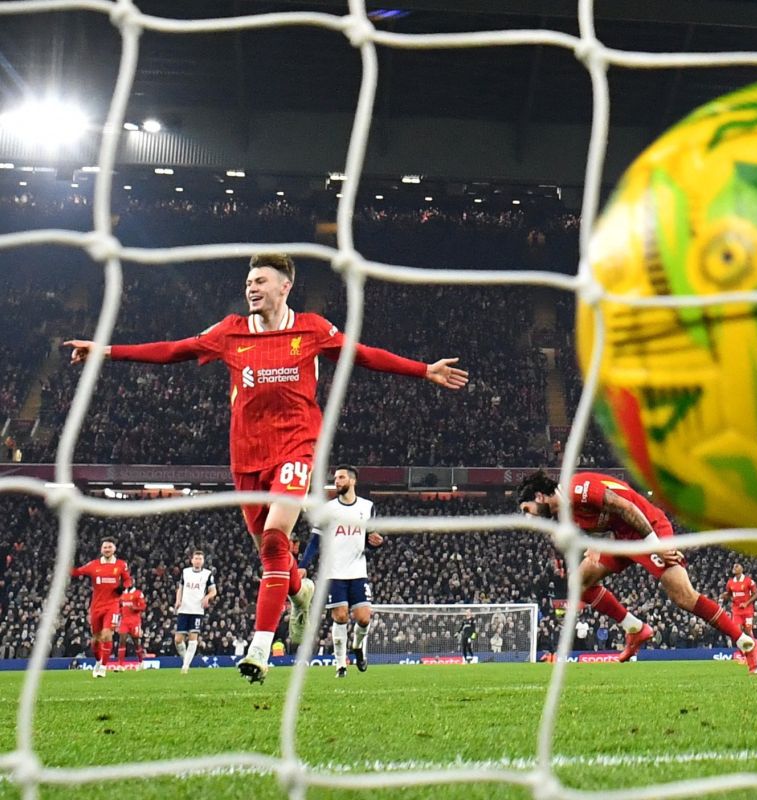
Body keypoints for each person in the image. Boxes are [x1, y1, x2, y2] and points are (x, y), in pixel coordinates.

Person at [65, 253, 468, 684]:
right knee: (269, 552)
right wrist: (107, 351)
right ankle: (300, 592)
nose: (251, 288)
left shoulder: (311, 328)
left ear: (284, 287)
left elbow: (363, 354)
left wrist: (423, 369)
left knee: (277, 538)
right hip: (246, 459)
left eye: (260, 280)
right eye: (248, 282)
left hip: (297, 448)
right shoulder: (231, 332)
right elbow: (173, 350)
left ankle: (260, 648)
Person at [516, 470, 757, 674]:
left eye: (526, 510)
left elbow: (627, 508)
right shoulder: (563, 515)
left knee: (684, 597)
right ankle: (635, 629)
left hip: (648, 529)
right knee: (579, 583)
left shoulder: (578, 489)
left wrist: (657, 546)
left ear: (539, 497)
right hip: (622, 538)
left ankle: (748, 643)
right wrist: (595, 544)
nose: (528, 519)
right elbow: (603, 519)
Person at [299, 465, 382, 678]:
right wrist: (302, 566)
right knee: (341, 617)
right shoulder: (328, 509)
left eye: (341, 477)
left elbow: (369, 537)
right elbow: (315, 541)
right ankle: (340, 665)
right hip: (333, 572)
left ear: (352, 481)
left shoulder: (367, 507)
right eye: (335, 478)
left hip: (358, 570)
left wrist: (376, 543)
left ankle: (357, 647)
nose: (337, 481)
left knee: (364, 618)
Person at [71, 537, 132, 678]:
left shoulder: (121, 565)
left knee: (107, 634)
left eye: (109, 547)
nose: (107, 549)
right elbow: (76, 572)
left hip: (113, 606)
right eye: (105, 547)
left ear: (114, 549)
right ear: (101, 549)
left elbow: (128, 579)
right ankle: (98, 662)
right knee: (95, 641)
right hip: (96, 607)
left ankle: (103, 668)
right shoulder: (94, 565)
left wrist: (123, 587)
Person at [174, 549, 216, 674]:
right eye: (196, 558)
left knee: (193, 638)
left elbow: (213, 591)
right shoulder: (185, 572)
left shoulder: (208, 574)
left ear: (203, 561)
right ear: (192, 560)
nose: (198, 561)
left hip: (197, 610)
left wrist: (207, 597)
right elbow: (180, 588)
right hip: (184, 608)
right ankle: (185, 660)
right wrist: (178, 600)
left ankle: (185, 667)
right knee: (178, 639)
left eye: (200, 559)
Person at [721, 563, 757, 638]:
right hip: (736, 611)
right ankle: (742, 648)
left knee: (748, 631)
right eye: (733, 566)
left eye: (737, 566)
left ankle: (754, 646)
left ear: (742, 569)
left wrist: (746, 603)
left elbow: (756, 594)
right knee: (737, 632)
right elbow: (729, 595)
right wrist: (725, 596)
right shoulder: (730, 582)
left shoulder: (748, 581)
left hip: (747, 610)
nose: (734, 567)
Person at [116, 584, 147, 668]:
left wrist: (135, 608)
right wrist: (119, 615)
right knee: (122, 641)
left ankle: (141, 662)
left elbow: (143, 606)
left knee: (136, 643)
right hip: (124, 621)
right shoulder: (122, 594)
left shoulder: (138, 593)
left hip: (135, 621)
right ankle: (120, 665)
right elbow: (119, 606)